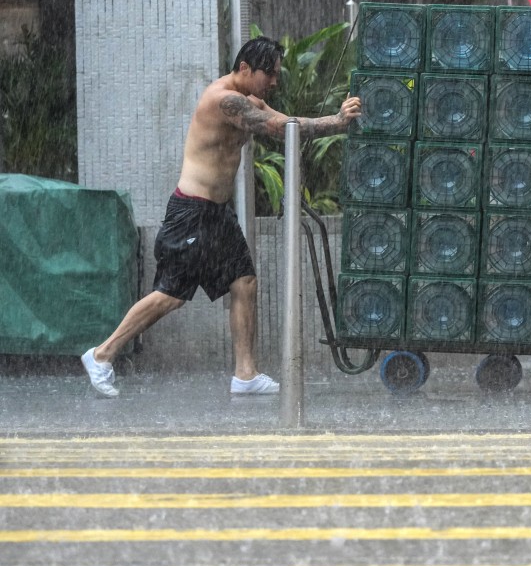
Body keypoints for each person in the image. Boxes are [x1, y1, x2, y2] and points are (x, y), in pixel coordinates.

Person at [81, 36, 362, 398]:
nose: (274, 82)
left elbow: (287, 122)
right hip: (191, 213)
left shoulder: (249, 99)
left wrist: (338, 122)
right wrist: (335, 120)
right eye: (269, 74)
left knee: (244, 282)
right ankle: (101, 355)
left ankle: (245, 374)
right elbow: (278, 129)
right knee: (171, 296)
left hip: (216, 213)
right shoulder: (224, 100)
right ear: (245, 68)